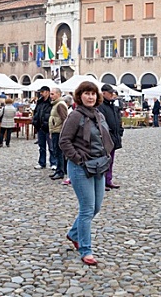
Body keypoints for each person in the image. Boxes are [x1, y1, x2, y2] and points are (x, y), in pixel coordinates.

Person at [59, 81, 114, 266]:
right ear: (79, 96)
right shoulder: (75, 115)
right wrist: (77, 158)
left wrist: (107, 153)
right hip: (81, 167)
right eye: (86, 93)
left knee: (96, 207)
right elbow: (64, 141)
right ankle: (86, 249)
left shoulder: (98, 114)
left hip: (98, 165)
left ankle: (73, 233)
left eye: (93, 94)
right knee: (87, 209)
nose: (90, 97)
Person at [98, 84, 123, 191]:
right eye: (110, 93)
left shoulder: (112, 105)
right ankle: (102, 182)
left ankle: (108, 180)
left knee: (110, 160)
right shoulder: (100, 106)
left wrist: (120, 131)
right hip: (106, 138)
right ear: (104, 93)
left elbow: (117, 119)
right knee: (104, 161)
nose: (113, 95)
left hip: (114, 137)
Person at [33, 86, 56, 170]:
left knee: (51, 147)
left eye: (42, 92)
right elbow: (36, 112)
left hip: (49, 128)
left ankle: (53, 162)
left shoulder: (51, 102)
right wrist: (35, 121)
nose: (41, 93)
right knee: (41, 146)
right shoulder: (40, 102)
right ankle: (42, 162)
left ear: (47, 92)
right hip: (40, 127)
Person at [49, 87, 69, 180]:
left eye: (52, 94)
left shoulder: (60, 105)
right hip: (55, 130)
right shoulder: (56, 104)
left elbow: (65, 119)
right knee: (57, 151)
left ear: (58, 94)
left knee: (58, 152)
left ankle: (60, 171)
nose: (51, 96)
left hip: (59, 131)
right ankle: (60, 169)